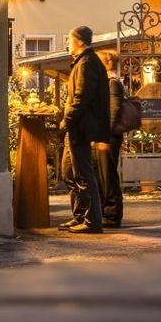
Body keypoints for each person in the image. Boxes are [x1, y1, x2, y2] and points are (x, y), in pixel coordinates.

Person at [58, 25, 108, 234]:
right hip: (77, 126)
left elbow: (82, 97)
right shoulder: (82, 62)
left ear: (79, 41)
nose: (67, 43)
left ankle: (92, 221)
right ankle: (79, 216)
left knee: (83, 174)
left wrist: (67, 119)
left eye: (69, 39)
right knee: (69, 171)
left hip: (81, 127)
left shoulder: (87, 63)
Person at [97, 48, 126, 229]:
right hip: (105, 136)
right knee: (103, 174)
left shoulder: (113, 83)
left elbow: (113, 112)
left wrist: (104, 137)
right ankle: (106, 211)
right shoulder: (107, 83)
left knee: (109, 175)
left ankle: (113, 214)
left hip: (110, 137)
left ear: (107, 63)